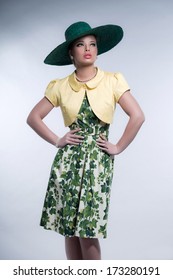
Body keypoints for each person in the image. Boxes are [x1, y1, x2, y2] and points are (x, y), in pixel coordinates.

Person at [27, 21, 145, 260]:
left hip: (97, 163)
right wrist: (57, 140)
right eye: (80, 45)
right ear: (71, 52)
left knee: (88, 229)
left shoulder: (113, 80)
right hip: (68, 162)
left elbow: (138, 116)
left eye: (92, 44)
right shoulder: (60, 86)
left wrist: (118, 146)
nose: (88, 49)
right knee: (68, 229)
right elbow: (33, 117)